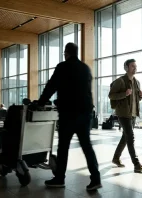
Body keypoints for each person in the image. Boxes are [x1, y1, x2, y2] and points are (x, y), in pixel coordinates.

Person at [38, 43, 101, 190]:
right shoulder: (85, 68)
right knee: (87, 147)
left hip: (68, 113)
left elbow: (51, 86)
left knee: (63, 147)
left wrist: (41, 102)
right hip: (85, 113)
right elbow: (88, 92)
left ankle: (60, 178)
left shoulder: (62, 67)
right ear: (76, 53)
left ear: (66, 53)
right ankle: (96, 179)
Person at [108, 59, 142, 173]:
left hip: (133, 114)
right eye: (132, 66)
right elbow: (111, 95)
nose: (135, 68)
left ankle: (116, 158)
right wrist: (124, 94)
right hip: (123, 114)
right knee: (130, 137)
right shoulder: (120, 81)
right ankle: (136, 164)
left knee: (125, 137)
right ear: (126, 68)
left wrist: (140, 96)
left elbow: (136, 99)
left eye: (136, 66)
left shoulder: (137, 82)